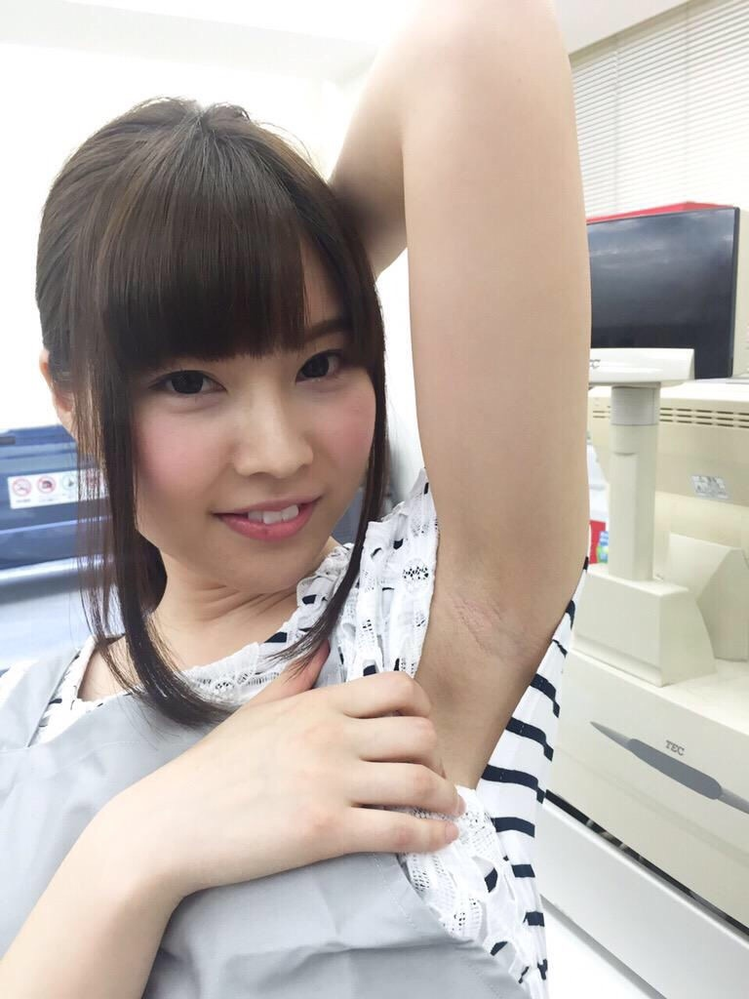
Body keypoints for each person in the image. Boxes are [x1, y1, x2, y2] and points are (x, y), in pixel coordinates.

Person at [0, 3, 591, 997]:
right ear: (72, 400)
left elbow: (478, 41)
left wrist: (275, 250)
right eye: (189, 380)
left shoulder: (419, 627)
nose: (278, 453)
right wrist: (133, 851)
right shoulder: (22, 711)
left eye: (322, 361)